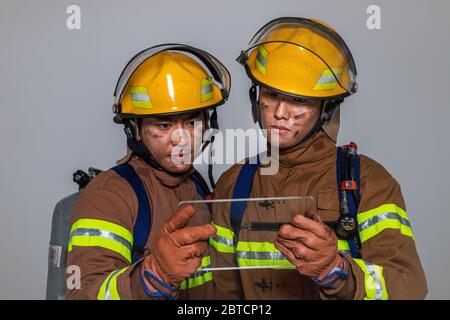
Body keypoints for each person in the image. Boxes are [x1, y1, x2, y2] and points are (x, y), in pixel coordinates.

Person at [210, 17, 427, 300]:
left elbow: (409, 286)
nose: (280, 113)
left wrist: (337, 271)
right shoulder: (234, 184)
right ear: (256, 98)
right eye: (272, 94)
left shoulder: (368, 182)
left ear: (326, 109)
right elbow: (222, 293)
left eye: (300, 100)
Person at [65, 44, 231, 300]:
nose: (182, 139)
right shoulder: (109, 196)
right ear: (136, 129)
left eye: (191, 122)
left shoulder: (198, 189)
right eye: (164, 125)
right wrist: (151, 277)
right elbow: (82, 295)